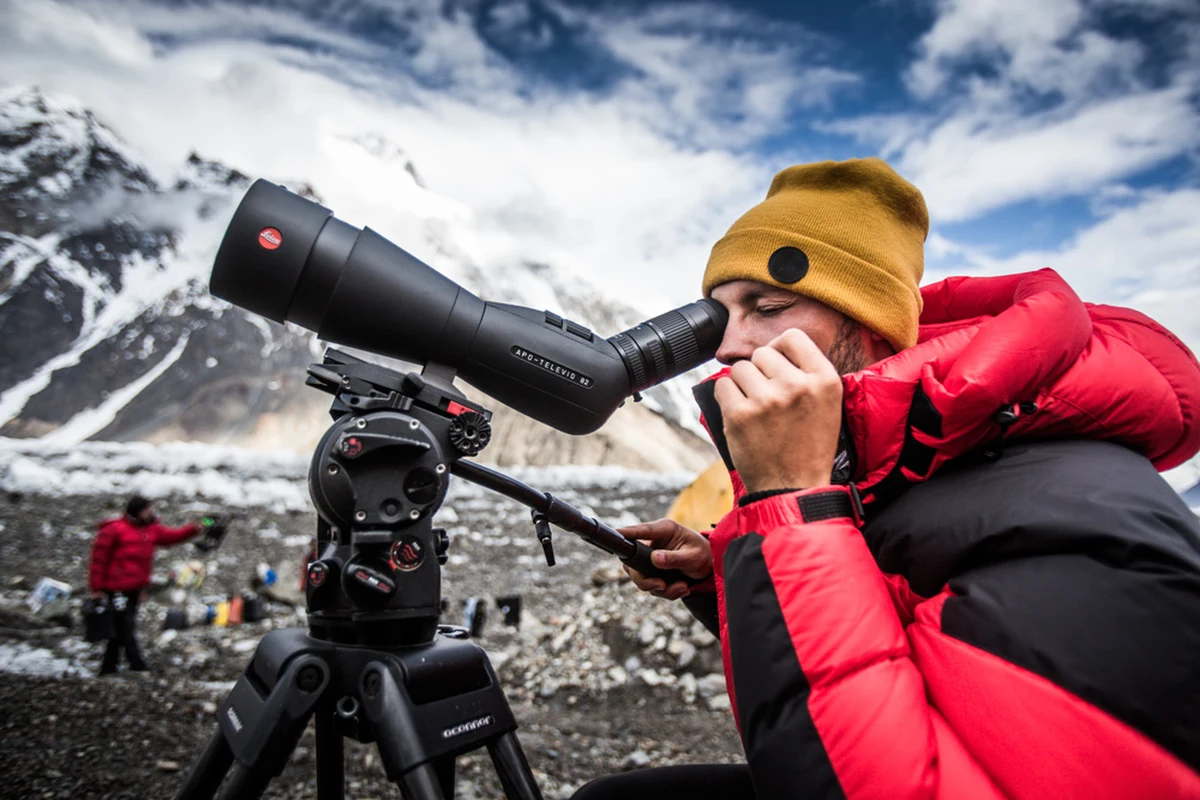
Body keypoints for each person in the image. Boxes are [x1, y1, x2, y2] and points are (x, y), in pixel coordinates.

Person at [573, 159, 1200, 799]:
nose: (728, 348)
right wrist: (726, 571)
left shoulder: (1073, 511)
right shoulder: (904, 462)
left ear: (869, 321)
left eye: (769, 307)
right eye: (718, 316)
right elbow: (881, 629)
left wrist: (790, 503)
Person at [87, 495, 200, 675]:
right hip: (116, 588)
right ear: (139, 511)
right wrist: (96, 588)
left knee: (120, 627)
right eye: (147, 510)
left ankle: (109, 667)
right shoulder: (115, 529)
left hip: (134, 589)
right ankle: (137, 664)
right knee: (125, 625)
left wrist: (193, 529)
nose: (151, 513)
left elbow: (171, 537)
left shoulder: (149, 531)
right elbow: (99, 560)